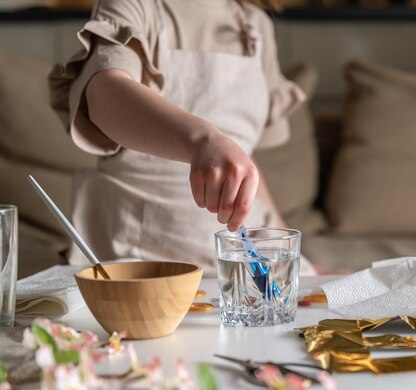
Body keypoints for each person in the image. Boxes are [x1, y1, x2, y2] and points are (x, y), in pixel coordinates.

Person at [49, 0, 312, 274]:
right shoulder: (134, 5)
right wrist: (202, 141)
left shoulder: (256, 24)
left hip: (247, 259)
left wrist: (295, 257)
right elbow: (103, 94)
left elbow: (242, 163)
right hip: (140, 259)